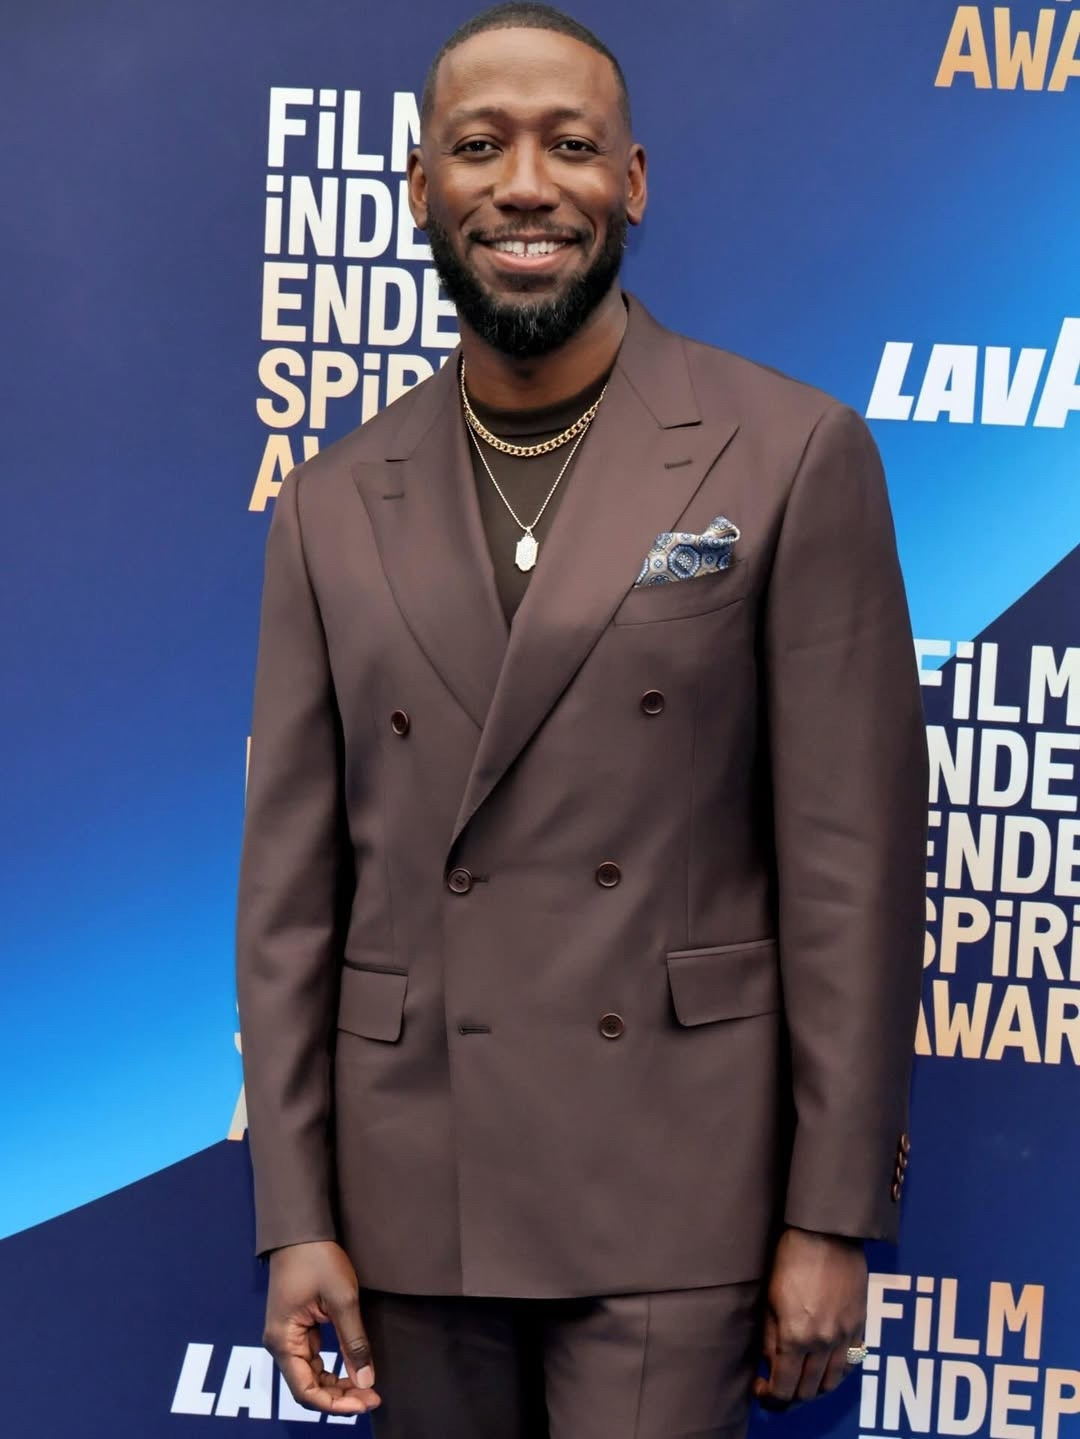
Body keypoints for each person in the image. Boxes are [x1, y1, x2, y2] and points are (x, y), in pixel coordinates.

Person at [235, 4, 928, 1435]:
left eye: (570, 145)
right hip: (412, 1192)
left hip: (679, 1185)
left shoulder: (789, 453)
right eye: (479, 146)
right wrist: (295, 1213)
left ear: (633, 181)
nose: (526, 186)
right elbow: (291, 902)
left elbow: (851, 872)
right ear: (420, 186)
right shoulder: (329, 505)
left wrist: (829, 1215)